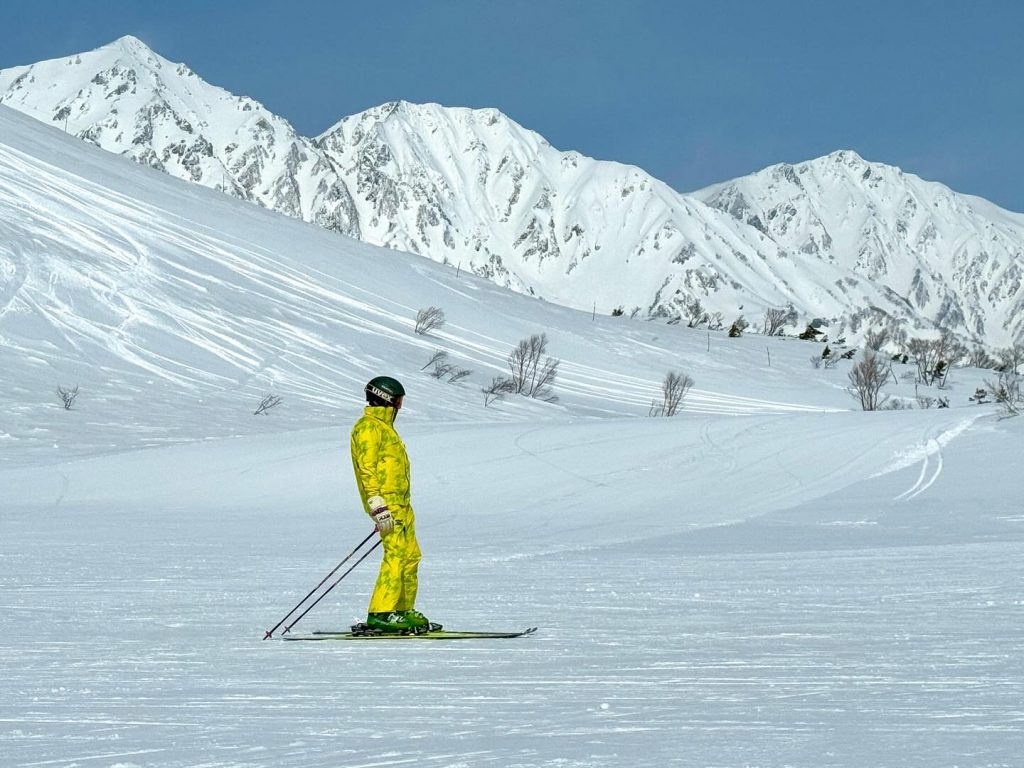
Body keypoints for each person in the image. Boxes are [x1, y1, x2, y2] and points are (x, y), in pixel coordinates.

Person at [350, 376, 435, 633]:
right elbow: (367, 469)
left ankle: (402, 609)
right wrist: (377, 504)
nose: (400, 406)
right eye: (398, 400)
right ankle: (381, 612)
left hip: (402, 504)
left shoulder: (386, 428)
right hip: (386, 504)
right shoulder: (368, 428)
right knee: (395, 555)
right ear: (385, 398)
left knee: (411, 556)